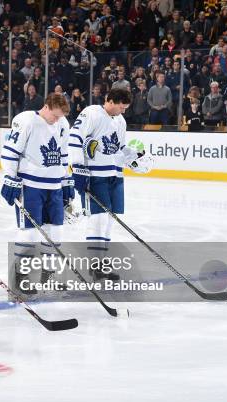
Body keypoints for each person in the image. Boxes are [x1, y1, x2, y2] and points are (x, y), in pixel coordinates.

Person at [69, 88, 154, 280]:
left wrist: (133, 156)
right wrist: (78, 168)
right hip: (95, 175)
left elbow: (120, 147)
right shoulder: (91, 113)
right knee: (97, 219)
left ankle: (102, 262)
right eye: (121, 107)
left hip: (115, 175)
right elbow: (74, 139)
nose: (123, 111)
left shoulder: (120, 120)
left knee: (108, 221)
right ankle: (94, 264)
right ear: (111, 101)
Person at [0, 93, 73, 291]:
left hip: (54, 186)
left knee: (55, 233)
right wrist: (9, 178)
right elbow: (10, 151)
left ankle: (47, 275)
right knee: (29, 234)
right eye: (55, 116)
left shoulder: (63, 123)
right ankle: (20, 276)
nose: (57, 120)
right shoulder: (26, 121)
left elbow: (64, 154)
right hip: (30, 186)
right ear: (47, 107)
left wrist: (66, 180)